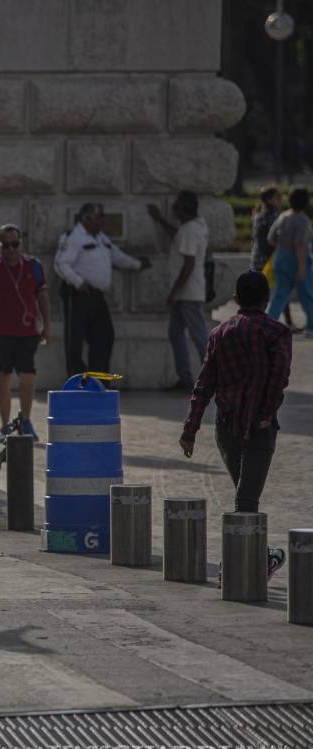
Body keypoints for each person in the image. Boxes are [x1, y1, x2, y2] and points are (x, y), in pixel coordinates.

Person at [180, 271, 290, 579]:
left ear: (236, 299)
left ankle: (258, 559)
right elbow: (279, 378)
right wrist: (266, 412)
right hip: (259, 428)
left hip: (226, 429)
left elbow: (204, 384)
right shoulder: (277, 333)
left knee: (245, 497)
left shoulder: (221, 333)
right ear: (267, 300)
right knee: (246, 499)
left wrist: (190, 430)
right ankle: (235, 569)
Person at [54, 202, 151, 376]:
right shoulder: (73, 237)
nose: (103, 220)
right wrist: (78, 282)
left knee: (104, 336)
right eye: (100, 217)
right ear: (87, 218)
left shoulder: (101, 238)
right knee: (75, 341)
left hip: (96, 296)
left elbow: (117, 256)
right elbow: (61, 264)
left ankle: (98, 380)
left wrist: (137, 264)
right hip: (78, 294)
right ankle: (77, 381)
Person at [0, 224, 50, 442]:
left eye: (14, 244)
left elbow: (42, 296)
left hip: (27, 331)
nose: (10, 250)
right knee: (4, 377)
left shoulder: (33, 266)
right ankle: (4, 425)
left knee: (28, 375)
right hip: (0, 331)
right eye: (5, 245)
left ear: (21, 245)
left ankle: (25, 419)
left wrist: (47, 325)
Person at [148, 191, 210, 391]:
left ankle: (213, 377)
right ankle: (185, 377)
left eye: (176, 206)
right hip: (186, 293)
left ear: (184, 209)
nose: (174, 210)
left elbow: (188, 265)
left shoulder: (190, 229)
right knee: (175, 333)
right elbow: (178, 236)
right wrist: (160, 220)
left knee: (199, 336)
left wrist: (174, 292)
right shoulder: (192, 227)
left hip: (187, 293)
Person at [264, 187, 313, 339]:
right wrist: (302, 267)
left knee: (280, 295)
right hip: (296, 259)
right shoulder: (302, 220)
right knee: (307, 294)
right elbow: (300, 244)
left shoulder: (283, 216)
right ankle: (311, 327)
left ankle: (267, 325)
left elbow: (270, 239)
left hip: (280, 257)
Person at [251, 186, 296, 331]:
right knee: (282, 288)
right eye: (278, 197)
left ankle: (256, 321)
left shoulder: (259, 214)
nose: (280, 200)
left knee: (261, 292)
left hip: (258, 258)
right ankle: (286, 322)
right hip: (272, 258)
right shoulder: (275, 215)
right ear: (270, 200)